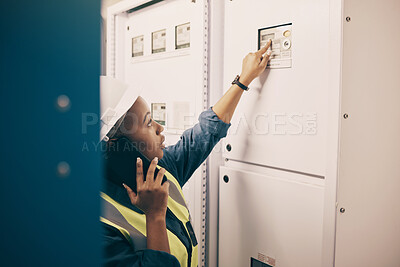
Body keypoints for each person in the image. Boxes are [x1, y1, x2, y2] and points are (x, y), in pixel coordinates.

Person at [101, 41, 272, 267]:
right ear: (118, 147)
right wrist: (155, 215)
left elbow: (205, 133)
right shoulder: (100, 228)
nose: (160, 128)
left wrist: (243, 80)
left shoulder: (163, 169)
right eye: (148, 123)